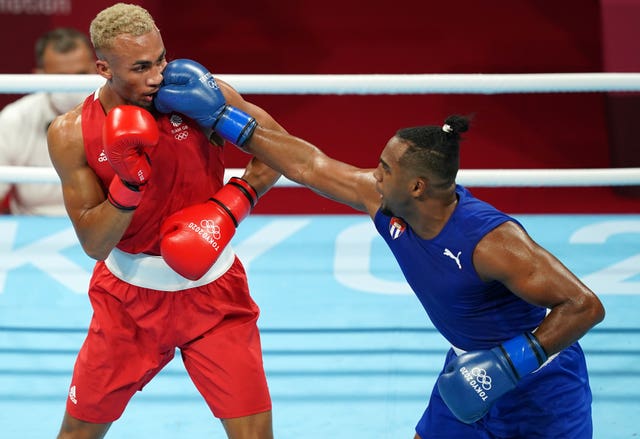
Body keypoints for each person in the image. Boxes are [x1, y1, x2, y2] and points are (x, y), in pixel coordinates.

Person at [154, 66, 606, 438]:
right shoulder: (384, 201)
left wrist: (507, 365)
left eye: (385, 168)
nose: (374, 173)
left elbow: (585, 305)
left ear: (416, 186)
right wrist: (223, 118)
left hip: (541, 386)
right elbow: (309, 164)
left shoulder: (491, 241)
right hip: (465, 369)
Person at [47, 3, 284, 439]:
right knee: (77, 435)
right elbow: (95, 244)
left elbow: (278, 151)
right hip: (126, 305)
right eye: (140, 67)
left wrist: (228, 207)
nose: (158, 76)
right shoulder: (71, 131)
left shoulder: (203, 97)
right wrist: (128, 187)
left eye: (160, 59)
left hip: (215, 296)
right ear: (103, 68)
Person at [0, 27, 95, 215]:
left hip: (104, 227)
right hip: (31, 226)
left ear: (97, 68)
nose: (72, 85)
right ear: (39, 76)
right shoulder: (14, 119)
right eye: (61, 77)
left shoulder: (118, 114)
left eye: (81, 75)